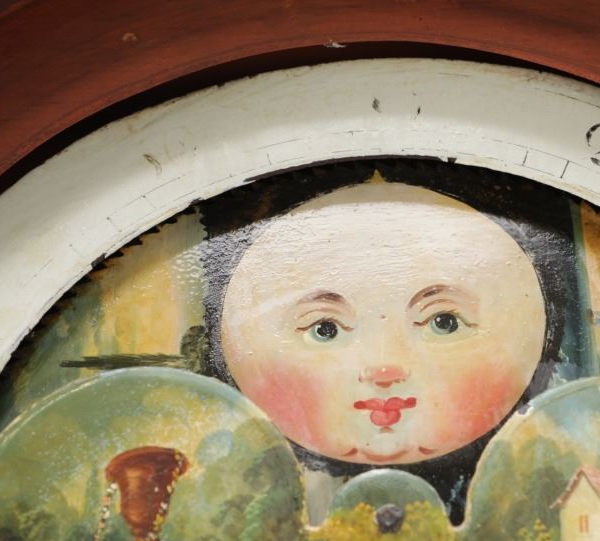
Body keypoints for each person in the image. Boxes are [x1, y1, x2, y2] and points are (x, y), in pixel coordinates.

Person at [201, 161, 579, 522]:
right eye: (325, 328)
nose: (384, 367)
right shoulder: (238, 486)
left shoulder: (542, 473)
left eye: (444, 322)